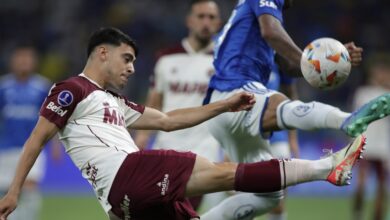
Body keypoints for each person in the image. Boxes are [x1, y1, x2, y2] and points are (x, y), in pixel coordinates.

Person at [0, 27, 366, 220]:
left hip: (121, 201)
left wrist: (222, 106)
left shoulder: (115, 101)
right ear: (102, 53)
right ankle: (327, 167)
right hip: (130, 173)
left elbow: (169, 120)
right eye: (126, 59)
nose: (131, 68)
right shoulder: (71, 89)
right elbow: (36, 139)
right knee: (224, 173)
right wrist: (14, 190)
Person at [200, 0, 390, 219]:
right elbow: (271, 32)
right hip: (234, 92)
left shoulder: (258, 20)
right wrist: (315, 63)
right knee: (283, 103)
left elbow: (290, 65)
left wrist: (334, 59)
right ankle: (345, 120)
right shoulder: (267, 12)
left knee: (270, 195)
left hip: (223, 113)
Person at [134, 0, 229, 211]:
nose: (206, 22)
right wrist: (141, 137)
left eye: (211, 17)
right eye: (201, 16)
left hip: (205, 151)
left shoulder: (225, 61)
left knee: (184, 210)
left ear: (219, 23)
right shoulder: (166, 59)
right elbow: (154, 104)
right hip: (166, 147)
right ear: (189, 21)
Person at [0, 45, 57, 220]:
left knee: (30, 189)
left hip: (33, 149)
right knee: (5, 192)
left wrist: (56, 145)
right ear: (13, 62)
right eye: (20, 58)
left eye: (27, 58)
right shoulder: (3, 87)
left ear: (34, 62)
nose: (24, 62)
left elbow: (54, 118)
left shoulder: (43, 87)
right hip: (5, 149)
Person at [352, 53, 390, 220]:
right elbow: (355, 119)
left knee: (382, 187)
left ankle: (377, 217)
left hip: (383, 147)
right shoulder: (363, 93)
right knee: (361, 184)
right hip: (365, 144)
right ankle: (357, 214)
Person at [266, 64, 299, 220]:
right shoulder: (243, 57)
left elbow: (292, 99)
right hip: (248, 139)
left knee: (277, 199)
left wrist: (293, 140)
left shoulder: (279, 60)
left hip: (278, 139)